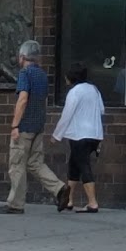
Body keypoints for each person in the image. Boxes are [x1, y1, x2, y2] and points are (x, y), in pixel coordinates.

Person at [0, 40, 70, 215]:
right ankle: (59, 188)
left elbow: (23, 99)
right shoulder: (42, 75)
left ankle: (16, 203)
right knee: (36, 163)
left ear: (22, 57)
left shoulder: (25, 73)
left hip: (24, 127)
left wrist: (15, 125)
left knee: (17, 165)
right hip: (38, 125)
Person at [52, 63, 105, 213]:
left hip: (79, 135)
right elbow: (102, 109)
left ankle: (92, 203)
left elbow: (66, 115)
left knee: (83, 166)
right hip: (94, 133)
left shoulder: (74, 92)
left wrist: (57, 135)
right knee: (74, 166)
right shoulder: (94, 89)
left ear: (71, 78)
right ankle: (68, 200)